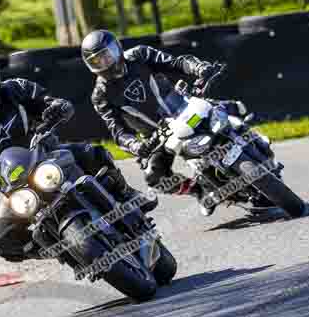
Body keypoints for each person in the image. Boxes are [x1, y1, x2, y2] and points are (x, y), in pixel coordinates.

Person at [0, 53, 155, 262]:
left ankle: (127, 194)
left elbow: (47, 101)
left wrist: (57, 108)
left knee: (92, 153)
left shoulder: (15, 89)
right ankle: (64, 251)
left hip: (48, 154)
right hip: (15, 183)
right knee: (4, 240)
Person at [81, 30, 248, 216]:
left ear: (116, 49)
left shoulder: (139, 55)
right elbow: (118, 132)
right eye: (97, 61)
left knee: (231, 110)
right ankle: (198, 190)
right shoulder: (101, 95)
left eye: (106, 55)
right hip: (157, 135)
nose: (105, 62)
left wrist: (198, 68)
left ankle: (250, 141)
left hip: (182, 108)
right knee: (154, 177)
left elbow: (176, 63)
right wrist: (136, 146)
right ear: (90, 65)